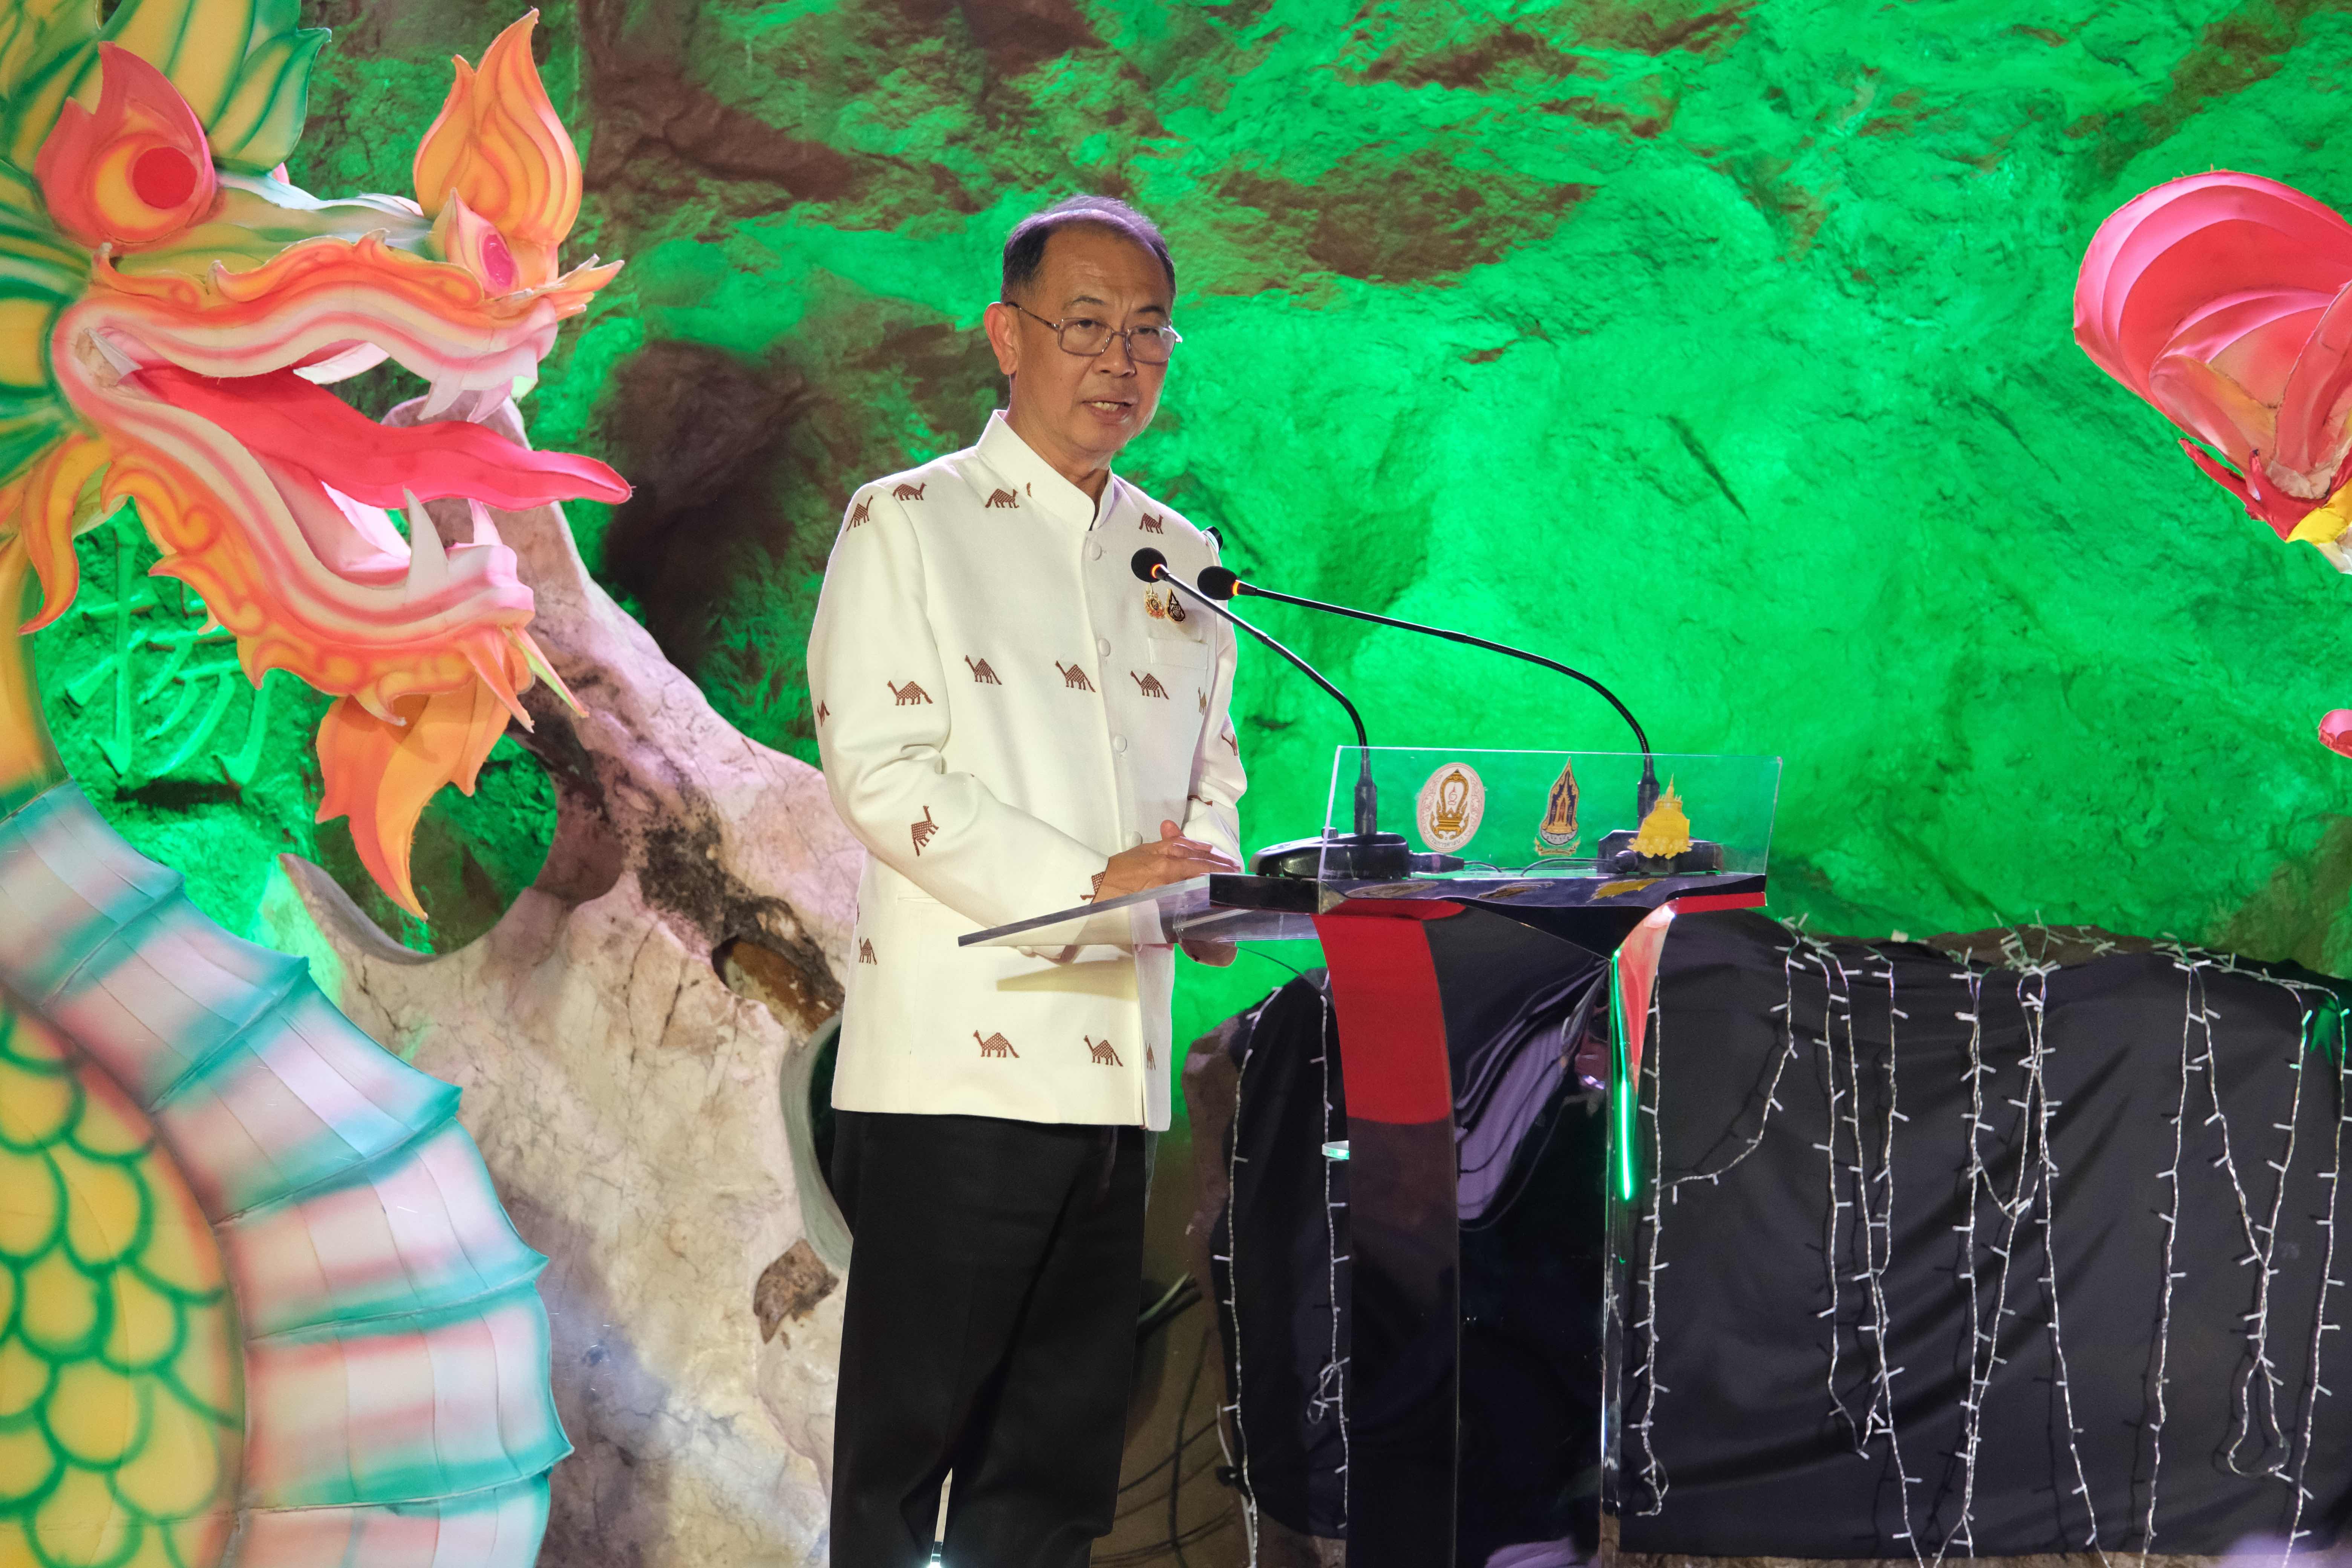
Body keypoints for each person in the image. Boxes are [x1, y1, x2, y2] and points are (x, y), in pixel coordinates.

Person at [807, 194, 1248, 1566]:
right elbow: (881, 772)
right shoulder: (907, 521)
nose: (1121, 361)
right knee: (903, 1470)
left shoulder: (1183, 558)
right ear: (1008, 336)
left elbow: (1215, 773)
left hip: (1118, 1077)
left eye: (1149, 333)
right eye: (1087, 326)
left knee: (1055, 1479)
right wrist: (1098, 883)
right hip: (960, 1074)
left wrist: (1213, 881)